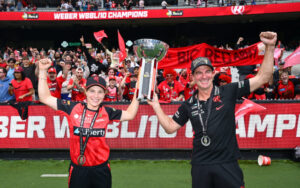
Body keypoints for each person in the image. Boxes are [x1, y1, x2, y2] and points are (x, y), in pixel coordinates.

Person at [147, 32, 277, 188]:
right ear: (193, 77)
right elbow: (169, 127)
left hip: (227, 163)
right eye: (199, 72)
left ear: (213, 73)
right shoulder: (189, 104)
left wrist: (270, 47)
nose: (204, 76)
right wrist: (156, 105)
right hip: (201, 165)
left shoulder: (228, 91)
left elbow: (263, 77)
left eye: (207, 71)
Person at [38, 58, 139, 188]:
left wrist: (137, 94)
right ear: (85, 92)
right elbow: (44, 97)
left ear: (104, 94)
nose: (95, 96)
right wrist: (42, 71)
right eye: (92, 91)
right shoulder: (72, 107)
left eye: (100, 92)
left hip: (101, 170)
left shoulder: (107, 112)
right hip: (78, 169)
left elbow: (130, 114)